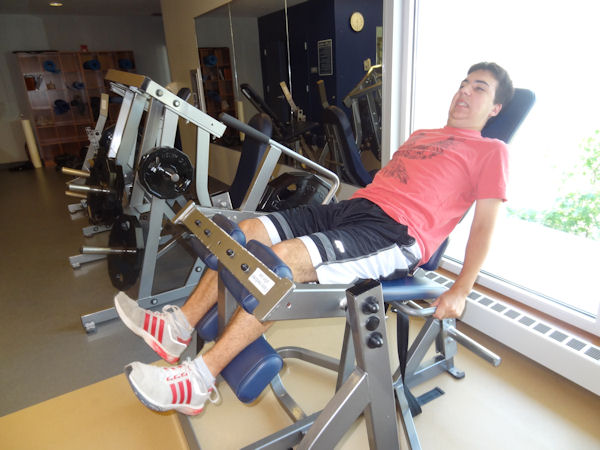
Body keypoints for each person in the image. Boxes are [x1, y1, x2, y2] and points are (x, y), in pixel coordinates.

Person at [115, 62, 514, 416]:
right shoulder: (422, 135)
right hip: (352, 209)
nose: (465, 91)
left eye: (479, 88)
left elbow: (484, 226)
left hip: (393, 233)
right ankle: (178, 327)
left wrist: (461, 289)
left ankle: (198, 381)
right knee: (244, 232)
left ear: (495, 108)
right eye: (463, 83)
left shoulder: (491, 151)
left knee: (278, 264)